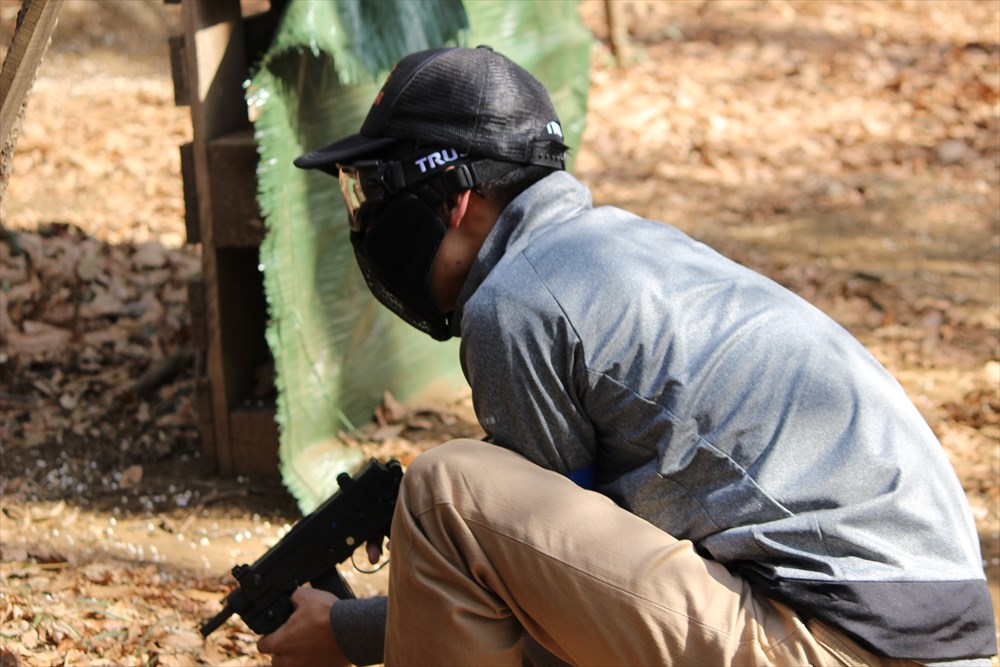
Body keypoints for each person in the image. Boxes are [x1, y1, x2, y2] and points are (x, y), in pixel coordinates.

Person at [256, 46, 997, 667]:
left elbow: (533, 599)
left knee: (446, 491)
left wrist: (347, 631)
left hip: (838, 639)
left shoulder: (516, 302)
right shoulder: (622, 251)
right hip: (918, 631)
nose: (366, 221)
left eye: (372, 194)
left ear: (454, 199)